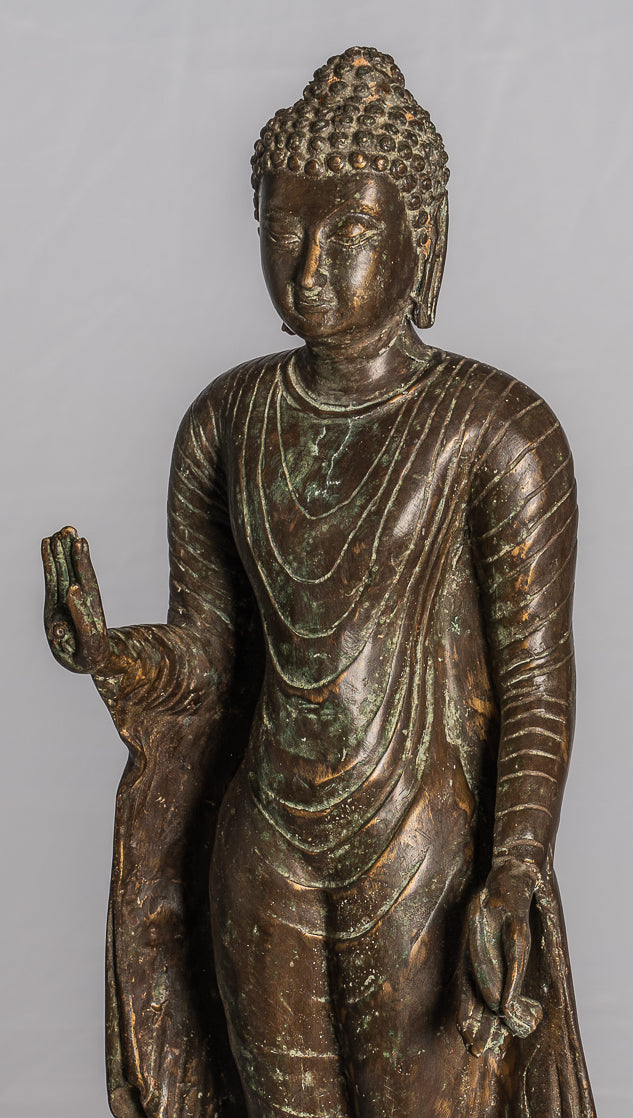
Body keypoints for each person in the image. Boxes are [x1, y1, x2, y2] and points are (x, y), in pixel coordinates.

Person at [43, 47, 595, 1118]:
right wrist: (113, 651)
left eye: (347, 232)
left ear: (422, 234)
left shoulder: (498, 430)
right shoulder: (227, 420)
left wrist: (517, 864)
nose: (307, 267)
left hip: (426, 852)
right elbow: (211, 652)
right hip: (265, 849)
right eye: (283, 229)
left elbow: (533, 685)